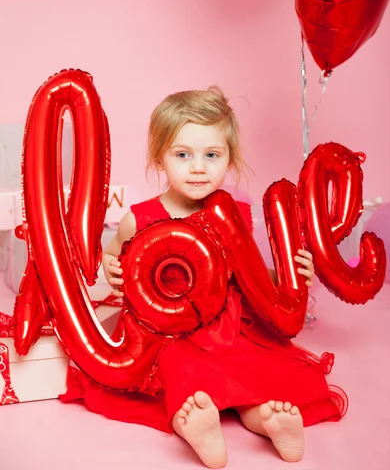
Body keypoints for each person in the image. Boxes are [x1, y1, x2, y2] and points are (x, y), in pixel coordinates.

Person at [61, 87, 347, 469]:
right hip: (167, 331)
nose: (198, 167)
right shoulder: (140, 218)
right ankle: (197, 424)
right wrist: (113, 267)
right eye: (183, 155)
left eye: (212, 155)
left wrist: (287, 275)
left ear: (229, 159)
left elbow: (253, 275)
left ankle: (267, 419)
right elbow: (110, 255)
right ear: (160, 160)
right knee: (179, 369)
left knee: (255, 372)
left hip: (231, 326)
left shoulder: (235, 216)